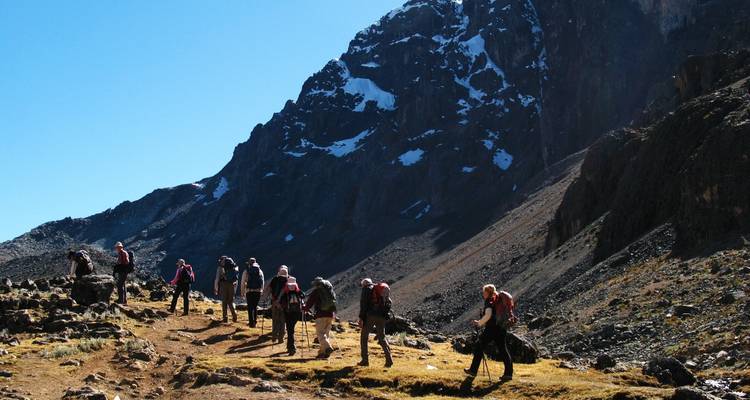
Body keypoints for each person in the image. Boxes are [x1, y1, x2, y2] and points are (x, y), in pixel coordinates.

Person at [464, 284, 513, 381]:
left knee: (479, 346)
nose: (483, 293)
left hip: (491, 329)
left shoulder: (489, 301)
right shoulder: (497, 299)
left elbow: (488, 315)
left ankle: (473, 370)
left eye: (484, 292)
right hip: (501, 328)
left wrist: (479, 323)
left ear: (487, 292)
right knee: (503, 349)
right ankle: (508, 374)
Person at [358, 278, 393, 368]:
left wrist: (361, 318)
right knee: (382, 337)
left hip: (371, 316)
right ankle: (389, 360)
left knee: (364, 337)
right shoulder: (378, 289)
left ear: (364, 284)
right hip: (382, 316)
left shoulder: (366, 289)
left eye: (362, 285)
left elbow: (363, 304)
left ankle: (365, 360)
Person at [304, 277, 336, 359]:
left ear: (316, 284)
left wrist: (305, 309)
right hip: (330, 315)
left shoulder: (317, 292)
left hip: (320, 315)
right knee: (326, 334)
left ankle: (328, 348)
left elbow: (310, 303)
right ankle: (323, 353)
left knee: (320, 334)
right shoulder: (330, 291)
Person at [279, 276, 304, 356]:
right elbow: (303, 296)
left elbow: (281, 302)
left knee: (290, 331)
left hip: (288, 313)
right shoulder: (298, 291)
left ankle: (291, 348)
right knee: (291, 329)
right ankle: (289, 346)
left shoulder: (286, 292)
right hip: (297, 313)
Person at [263, 266, 289, 343]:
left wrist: (265, 298)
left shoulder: (274, 279)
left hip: (274, 302)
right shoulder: (288, 281)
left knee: (275, 320)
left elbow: (269, 289)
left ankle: (274, 336)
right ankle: (281, 338)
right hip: (284, 304)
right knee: (283, 321)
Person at [214, 256, 239, 323]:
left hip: (224, 285)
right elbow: (236, 279)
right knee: (230, 301)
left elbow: (217, 279)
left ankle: (225, 318)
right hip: (232, 285)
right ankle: (234, 315)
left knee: (224, 301)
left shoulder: (220, 268)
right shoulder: (234, 267)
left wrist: (216, 288)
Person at [240, 257, 264, 327]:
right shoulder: (260, 271)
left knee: (250, 307)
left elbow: (243, 282)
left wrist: (242, 292)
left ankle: (251, 323)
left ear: (249, 263)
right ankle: (255, 321)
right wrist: (261, 290)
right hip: (258, 291)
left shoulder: (246, 271)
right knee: (255, 306)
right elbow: (262, 281)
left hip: (249, 291)